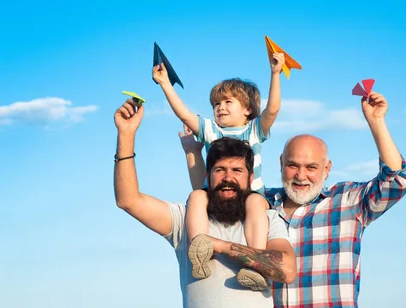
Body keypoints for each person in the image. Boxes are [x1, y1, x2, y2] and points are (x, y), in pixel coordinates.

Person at [181, 91, 406, 307]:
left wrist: (376, 122)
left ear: (327, 168)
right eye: (293, 166)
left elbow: (395, 182)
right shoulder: (261, 204)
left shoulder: (347, 202)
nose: (301, 176)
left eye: (311, 167)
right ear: (281, 163)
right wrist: (192, 151)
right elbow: (213, 189)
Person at [113, 98, 296, 308]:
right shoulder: (185, 219)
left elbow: (288, 270)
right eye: (220, 170)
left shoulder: (267, 219)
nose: (228, 178)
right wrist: (126, 134)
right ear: (208, 176)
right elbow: (128, 200)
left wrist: (221, 246)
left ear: (250, 178)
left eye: (237, 171)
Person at [152, 51, 286, 289]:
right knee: (196, 196)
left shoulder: (254, 130)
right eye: (216, 104)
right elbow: (183, 113)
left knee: (255, 203)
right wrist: (165, 84)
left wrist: (275, 74)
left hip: (250, 195)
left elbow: (273, 110)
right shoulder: (210, 130)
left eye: (227, 102)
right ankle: (200, 251)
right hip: (218, 195)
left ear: (247, 109)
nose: (220, 108)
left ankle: (255, 266)